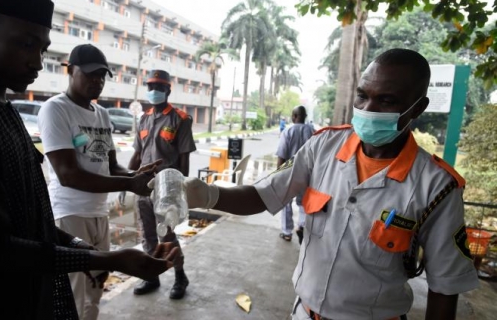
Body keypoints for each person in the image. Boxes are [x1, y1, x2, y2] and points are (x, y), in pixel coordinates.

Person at [166, 49, 479, 319]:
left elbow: (445, 284)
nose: (368, 109)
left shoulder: (436, 186)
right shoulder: (323, 146)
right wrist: (205, 194)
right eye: (363, 95)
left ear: (417, 108)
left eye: (386, 100)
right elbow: (263, 196)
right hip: (304, 312)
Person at [0, 1, 179, 319]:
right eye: (26, 44)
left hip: (31, 299)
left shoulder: (2, 109)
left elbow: (32, 222)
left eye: (42, 49)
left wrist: (93, 252)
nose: (38, 64)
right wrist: (105, 260)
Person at [38, 44, 161, 320]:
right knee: (74, 294)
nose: (98, 81)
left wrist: (137, 175)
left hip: (98, 214)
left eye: (102, 76)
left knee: (95, 286)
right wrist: (129, 185)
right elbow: (67, 175)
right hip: (69, 216)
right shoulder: (55, 110)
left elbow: (111, 166)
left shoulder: (102, 114)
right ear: (70, 71)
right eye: (91, 74)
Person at [128, 70, 197, 299]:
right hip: (142, 187)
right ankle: (151, 277)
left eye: (159, 87)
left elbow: (184, 165)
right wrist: (126, 181)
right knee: (147, 236)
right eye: (150, 87)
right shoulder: (144, 118)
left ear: (168, 90)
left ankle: (180, 276)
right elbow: (137, 155)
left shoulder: (180, 119)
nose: (154, 91)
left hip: (165, 191)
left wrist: (174, 190)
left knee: (167, 237)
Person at [277, 106, 314, 244]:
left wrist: (278, 175)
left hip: (289, 172)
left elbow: (281, 154)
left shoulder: (288, 131)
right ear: (304, 116)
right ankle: (302, 226)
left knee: (286, 202)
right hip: (308, 173)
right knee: (304, 202)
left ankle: (287, 232)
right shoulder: (312, 131)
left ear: (294, 116)